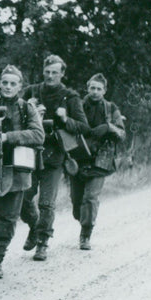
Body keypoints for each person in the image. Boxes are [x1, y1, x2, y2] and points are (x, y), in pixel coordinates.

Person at [0, 65, 44, 278]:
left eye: (13, 83)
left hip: (16, 169)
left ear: (20, 86)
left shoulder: (26, 109)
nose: (8, 86)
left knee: (7, 217)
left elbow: (38, 135)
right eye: (4, 82)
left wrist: (8, 137)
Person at [20, 54, 89, 261]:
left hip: (54, 154)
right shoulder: (32, 91)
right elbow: (14, 118)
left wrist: (65, 118)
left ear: (62, 74)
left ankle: (42, 243)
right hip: (30, 153)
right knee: (22, 197)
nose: (50, 76)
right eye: (47, 72)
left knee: (47, 203)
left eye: (54, 73)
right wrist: (27, 108)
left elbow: (84, 126)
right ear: (43, 71)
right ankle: (34, 226)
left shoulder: (70, 96)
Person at [69, 73, 125, 250]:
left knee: (91, 198)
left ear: (105, 90)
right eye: (92, 88)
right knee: (76, 202)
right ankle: (84, 219)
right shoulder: (78, 105)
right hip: (78, 157)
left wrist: (108, 127)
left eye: (99, 89)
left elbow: (122, 133)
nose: (95, 92)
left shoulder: (111, 108)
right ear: (87, 87)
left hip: (101, 160)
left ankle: (85, 234)